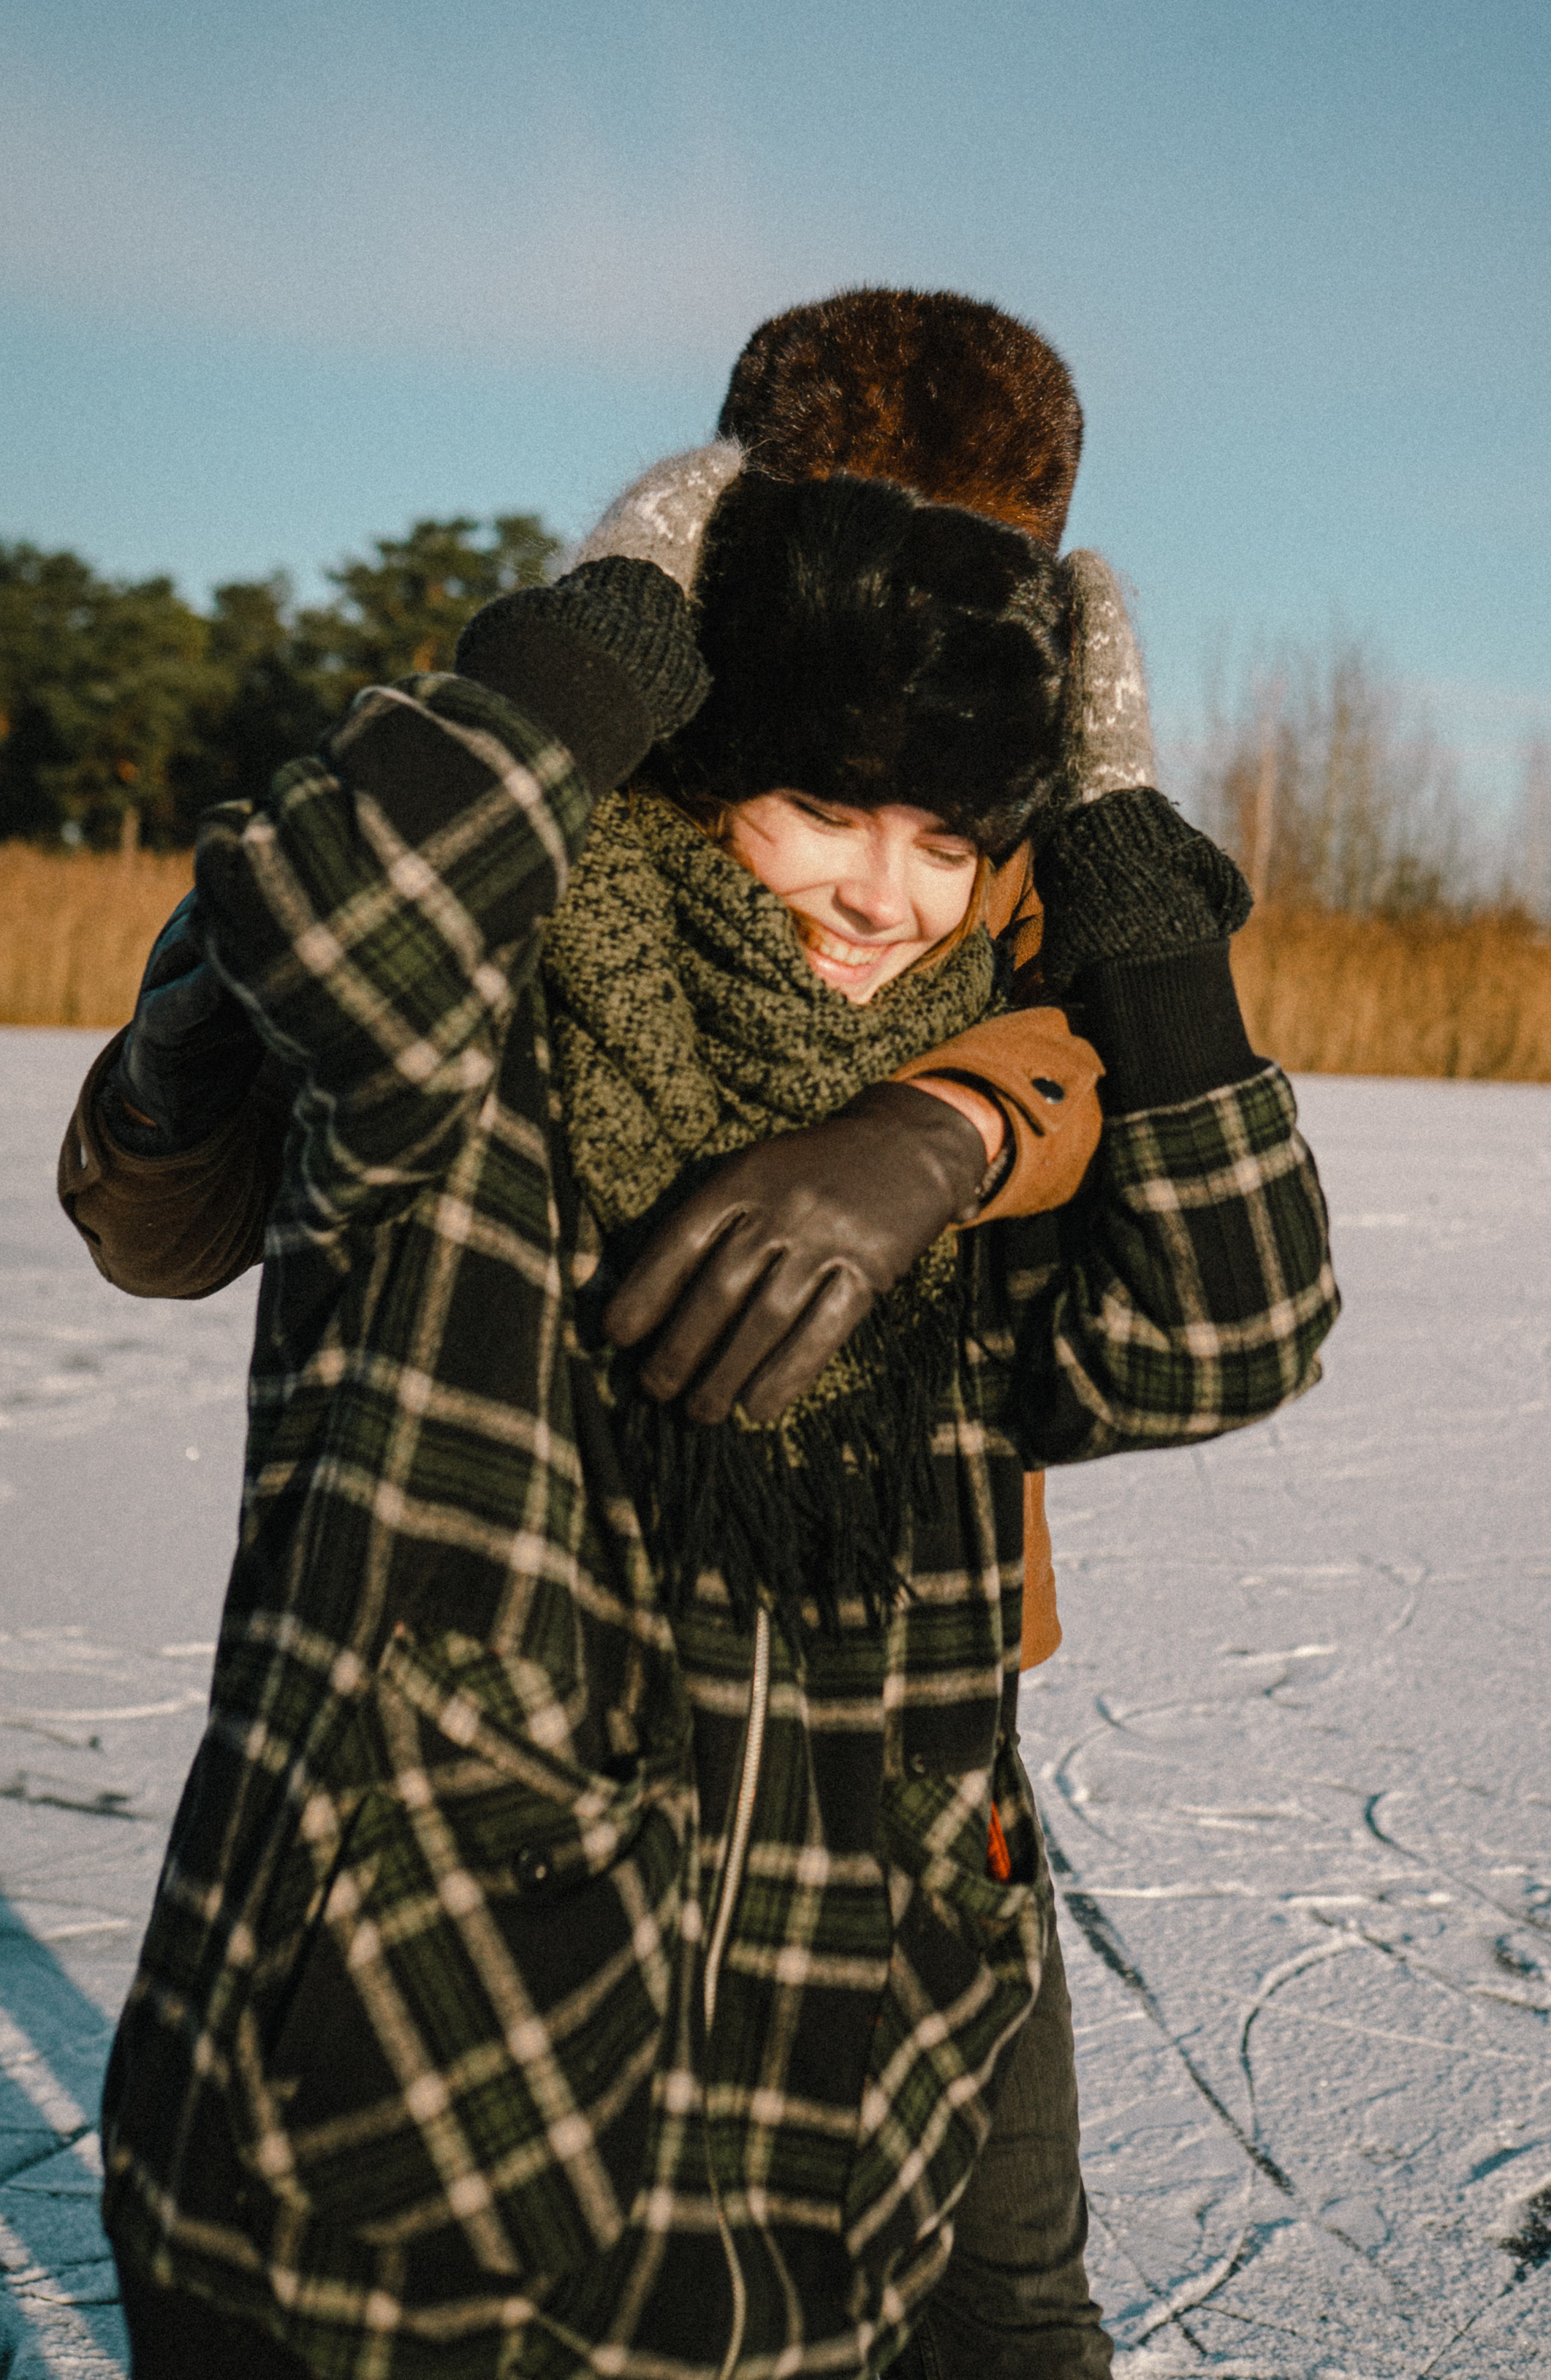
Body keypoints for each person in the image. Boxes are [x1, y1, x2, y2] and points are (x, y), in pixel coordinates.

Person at [81, 455, 1338, 2378]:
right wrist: (611, 619)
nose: (880, 896)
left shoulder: (954, 1138)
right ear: (701, 770)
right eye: (822, 806)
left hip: (798, 2216)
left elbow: (1227, 1330)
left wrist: (1120, 881)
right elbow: (344, 928)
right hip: (396, 2182)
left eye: (944, 836)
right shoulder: (475, 1051)